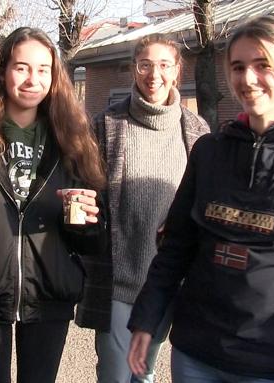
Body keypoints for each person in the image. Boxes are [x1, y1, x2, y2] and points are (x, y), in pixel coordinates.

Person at [126, 15, 274, 383]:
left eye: (263, 65)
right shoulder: (209, 152)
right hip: (195, 356)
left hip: (269, 364)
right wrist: (147, 319)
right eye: (238, 67)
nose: (248, 78)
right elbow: (176, 247)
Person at [0, 27, 107, 383]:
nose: (33, 79)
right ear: (1, 70)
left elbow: (90, 241)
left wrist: (88, 224)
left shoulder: (73, 139)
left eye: (43, 69)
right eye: (22, 68)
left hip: (49, 294)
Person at [75, 33, 210, 383]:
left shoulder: (197, 131)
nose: (155, 74)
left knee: (145, 373)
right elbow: (87, 192)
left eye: (164, 65)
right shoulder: (107, 126)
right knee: (116, 376)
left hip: (168, 282)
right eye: (145, 65)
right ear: (134, 70)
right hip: (119, 280)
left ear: (177, 71)